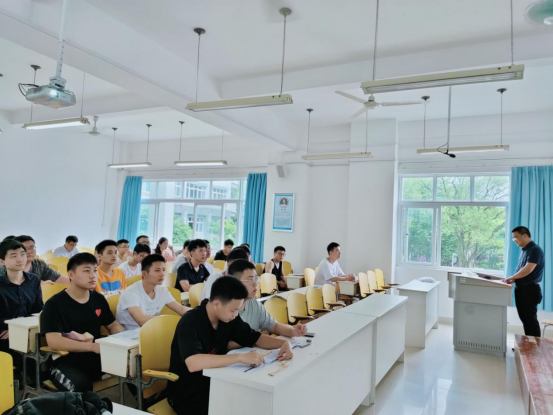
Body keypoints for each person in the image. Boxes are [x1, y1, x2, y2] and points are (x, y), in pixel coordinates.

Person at [167, 276, 293, 415]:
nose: (235, 315)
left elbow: (255, 338)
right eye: (233, 310)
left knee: (254, 402)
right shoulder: (190, 322)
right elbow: (193, 363)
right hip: (187, 393)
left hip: (217, 382)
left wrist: (284, 343)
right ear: (216, 304)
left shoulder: (229, 318)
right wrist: (240, 357)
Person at [41, 253, 124, 392]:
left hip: (96, 357)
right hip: (65, 361)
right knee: (81, 387)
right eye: (86, 271)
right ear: (71, 275)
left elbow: (113, 325)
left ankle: (146, 403)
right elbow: (54, 341)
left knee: (134, 366)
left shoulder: (98, 299)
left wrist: (123, 340)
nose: (93, 275)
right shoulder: (54, 304)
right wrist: (92, 347)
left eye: (95, 270)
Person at [229, 259, 307, 337]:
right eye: (251, 280)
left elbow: (274, 326)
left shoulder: (255, 304)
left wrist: (293, 331)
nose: (256, 284)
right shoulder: (226, 310)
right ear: (235, 282)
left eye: (256, 278)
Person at [116, 254, 189, 330]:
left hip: (153, 330)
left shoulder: (162, 291)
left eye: (164, 270)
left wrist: (196, 312)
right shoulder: (130, 293)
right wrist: (169, 321)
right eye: (157, 270)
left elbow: (181, 309)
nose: (162, 274)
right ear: (144, 274)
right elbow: (141, 320)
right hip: (130, 334)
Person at [0, 239, 43, 366]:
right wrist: (14, 328)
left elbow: (39, 309)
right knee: (28, 362)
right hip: (3, 333)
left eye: (22, 254)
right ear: (2, 261)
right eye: (13, 256)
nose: (20, 259)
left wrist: (20, 328)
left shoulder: (33, 280)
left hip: (30, 331)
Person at [504, 226, 545, 337]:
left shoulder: (535, 250)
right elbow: (522, 270)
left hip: (529, 290)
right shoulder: (525, 250)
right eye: (513, 238)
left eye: (516, 237)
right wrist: (514, 278)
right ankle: (529, 343)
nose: (514, 240)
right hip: (522, 289)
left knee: (530, 320)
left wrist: (512, 277)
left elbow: (528, 269)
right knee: (526, 319)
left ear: (525, 236)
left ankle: (534, 345)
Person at [0, 235, 69, 285]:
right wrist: (39, 287)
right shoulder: (5, 268)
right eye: (25, 248)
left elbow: (59, 278)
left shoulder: (39, 265)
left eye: (32, 247)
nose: (29, 251)